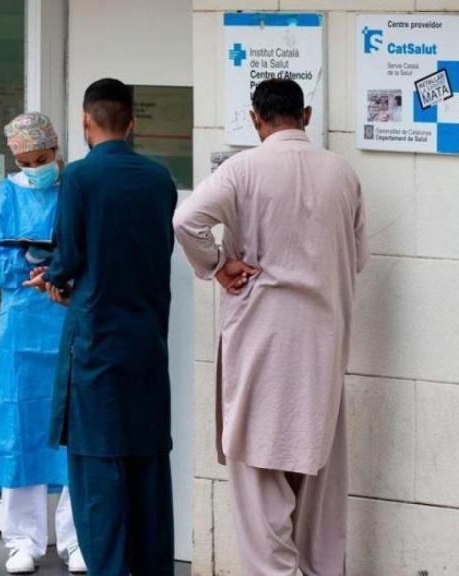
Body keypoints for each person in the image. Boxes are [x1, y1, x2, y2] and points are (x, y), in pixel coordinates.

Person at [173, 78, 367, 575]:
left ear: (256, 120)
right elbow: (358, 258)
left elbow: (186, 220)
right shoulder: (343, 175)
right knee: (319, 485)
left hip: (261, 339)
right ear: (304, 115)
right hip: (324, 342)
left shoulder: (242, 169)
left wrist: (218, 264)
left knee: (260, 478)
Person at [26, 78, 177, 575]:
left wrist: (51, 277)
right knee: (148, 470)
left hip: (95, 346)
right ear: (132, 122)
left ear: (86, 121)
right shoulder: (160, 180)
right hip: (148, 344)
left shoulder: (81, 180)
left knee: (98, 477)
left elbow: (68, 257)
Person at [0, 112, 86, 575]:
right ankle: (22, 540)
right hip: (22, 325)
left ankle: (77, 539)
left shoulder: (76, 189)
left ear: (56, 150)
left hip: (66, 319)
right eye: (26, 161)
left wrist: (60, 267)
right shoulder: (6, 195)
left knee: (74, 431)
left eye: (42, 159)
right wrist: (26, 264)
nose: (35, 167)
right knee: (20, 429)